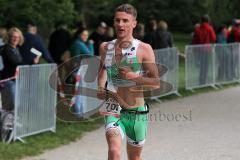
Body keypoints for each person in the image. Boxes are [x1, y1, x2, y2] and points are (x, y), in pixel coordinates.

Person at [97, 4, 160, 160]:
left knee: (134, 158)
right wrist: (100, 86)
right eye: (117, 20)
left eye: (125, 20)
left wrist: (134, 77)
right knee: (114, 151)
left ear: (134, 23)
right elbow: (102, 70)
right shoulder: (106, 47)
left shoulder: (144, 49)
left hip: (137, 113)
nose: (120, 24)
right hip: (114, 109)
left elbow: (156, 82)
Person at [0, 27, 24, 110]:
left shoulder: (17, 49)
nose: (15, 39)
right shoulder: (6, 49)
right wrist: (29, 63)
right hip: (8, 81)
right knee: (11, 105)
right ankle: (8, 122)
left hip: (16, 80)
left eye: (17, 37)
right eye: (13, 36)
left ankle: (13, 122)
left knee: (15, 104)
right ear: (9, 37)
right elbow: (15, 63)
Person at [192, 15, 216, 85]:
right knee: (205, 66)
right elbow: (213, 38)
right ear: (208, 21)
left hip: (199, 50)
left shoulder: (197, 29)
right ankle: (203, 81)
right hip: (207, 50)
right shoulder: (209, 28)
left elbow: (194, 40)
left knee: (201, 66)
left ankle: (200, 81)